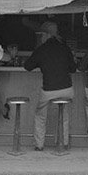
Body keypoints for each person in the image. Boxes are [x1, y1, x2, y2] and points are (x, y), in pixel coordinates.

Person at [24, 20, 76, 151]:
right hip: (67, 89)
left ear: (47, 35)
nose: (40, 37)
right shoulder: (65, 48)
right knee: (64, 115)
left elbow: (28, 66)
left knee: (40, 115)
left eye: (41, 34)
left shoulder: (41, 49)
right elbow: (74, 69)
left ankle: (39, 145)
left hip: (49, 90)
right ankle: (63, 143)